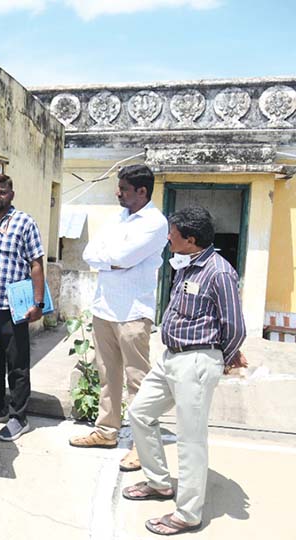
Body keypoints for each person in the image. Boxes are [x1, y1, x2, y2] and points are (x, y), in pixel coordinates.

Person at [122, 207, 246, 536]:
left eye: (173, 233)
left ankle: (188, 514)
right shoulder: (185, 264)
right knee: (139, 413)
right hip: (170, 358)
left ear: (190, 240)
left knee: (190, 439)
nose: (167, 237)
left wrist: (225, 357)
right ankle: (160, 483)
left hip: (196, 362)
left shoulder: (218, 272)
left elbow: (234, 326)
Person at [69, 164, 168, 473]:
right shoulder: (119, 217)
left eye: (123, 188)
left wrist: (111, 259)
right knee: (107, 375)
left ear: (142, 191)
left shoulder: (155, 223)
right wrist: (111, 260)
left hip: (133, 313)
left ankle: (142, 445)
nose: (118, 192)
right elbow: (90, 252)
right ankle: (106, 432)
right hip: (104, 308)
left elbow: (124, 258)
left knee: (138, 379)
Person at [0, 173, 46, 442]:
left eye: (2, 192)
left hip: (14, 307)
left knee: (17, 365)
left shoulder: (24, 222)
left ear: (11, 194)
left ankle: (19, 417)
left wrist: (38, 303)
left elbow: (36, 264)